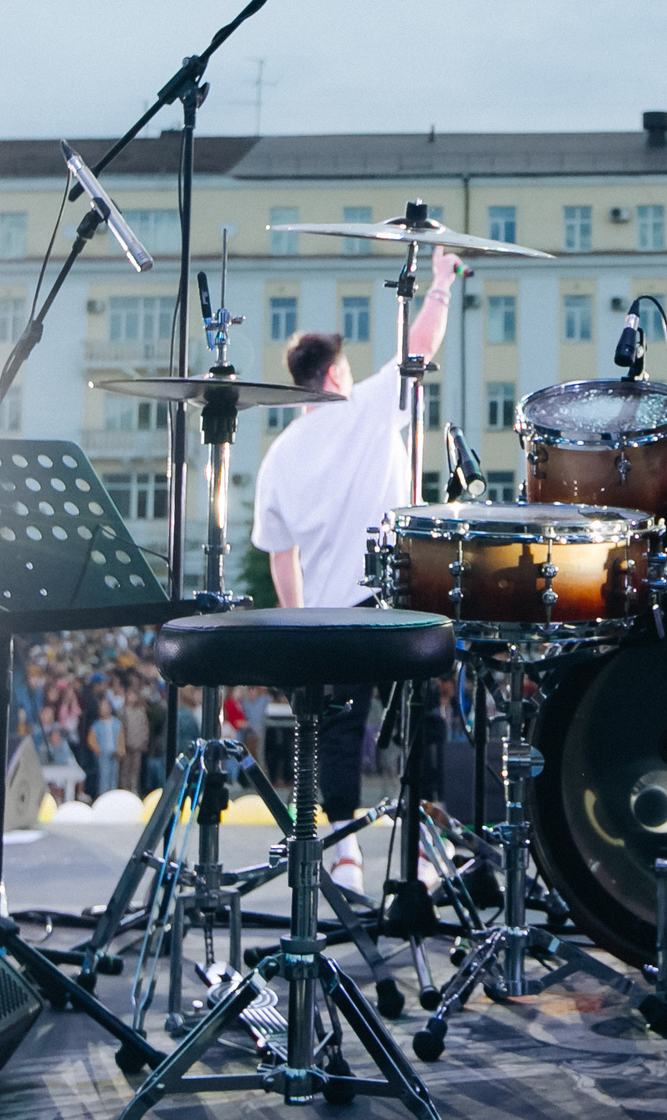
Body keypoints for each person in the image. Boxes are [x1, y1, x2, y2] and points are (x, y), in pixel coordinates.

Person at [252, 246, 458, 896]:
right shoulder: (365, 405)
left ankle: (344, 856)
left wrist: (297, 626)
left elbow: (279, 554)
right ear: (336, 372)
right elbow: (419, 348)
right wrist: (442, 282)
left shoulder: (279, 457)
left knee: (338, 733)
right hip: (394, 595)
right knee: (419, 717)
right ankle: (422, 846)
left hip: (329, 614)